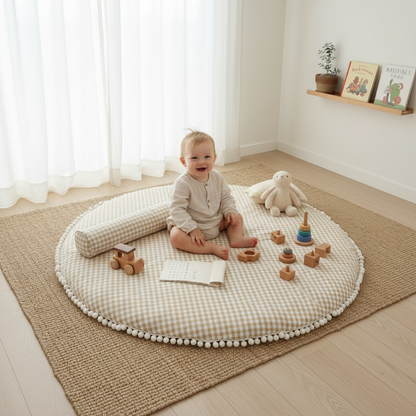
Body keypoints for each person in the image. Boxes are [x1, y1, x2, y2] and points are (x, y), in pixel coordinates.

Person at [167, 130, 258, 260]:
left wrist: (229, 212)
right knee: (175, 236)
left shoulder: (217, 177)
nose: (201, 162)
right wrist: (192, 228)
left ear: (214, 158)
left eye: (207, 157)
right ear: (183, 161)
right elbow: (176, 209)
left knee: (237, 217)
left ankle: (236, 238)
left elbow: (226, 197)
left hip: (215, 222)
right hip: (191, 226)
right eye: (194, 158)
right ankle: (210, 248)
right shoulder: (182, 183)